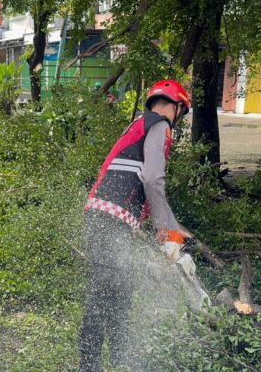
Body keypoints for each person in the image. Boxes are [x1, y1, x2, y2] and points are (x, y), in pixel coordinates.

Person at [77, 79, 193, 371]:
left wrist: (168, 224)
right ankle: (89, 366)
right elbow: (153, 178)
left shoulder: (139, 124)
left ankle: (120, 361)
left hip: (105, 217)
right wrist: (165, 227)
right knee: (104, 295)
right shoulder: (161, 126)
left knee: (119, 292)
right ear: (177, 107)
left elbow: (137, 181)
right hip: (111, 221)